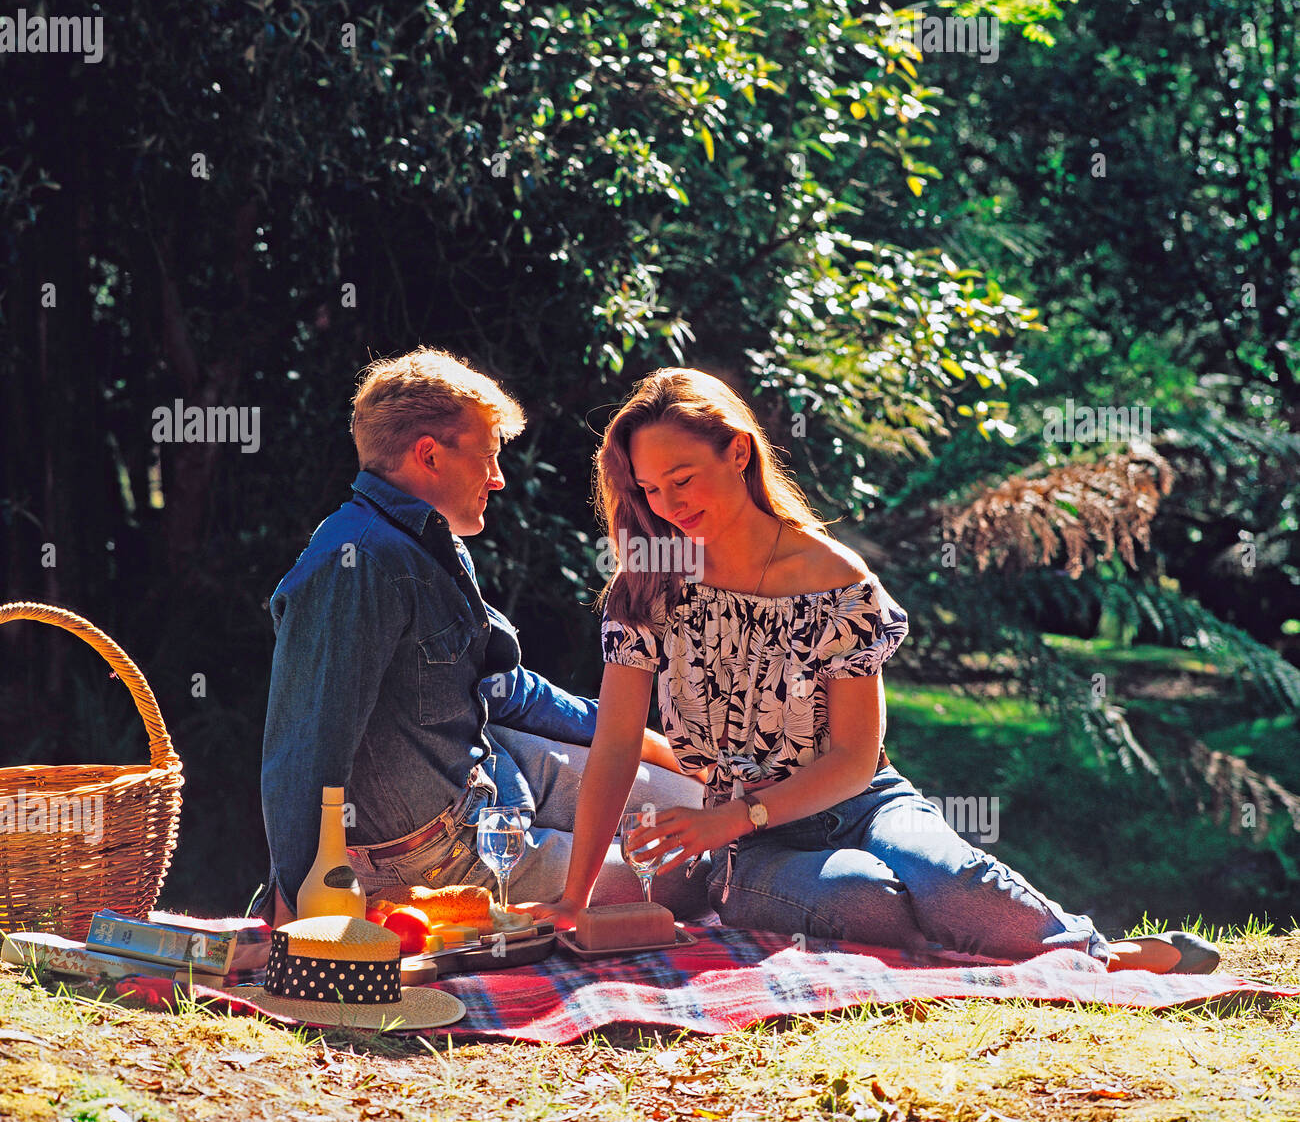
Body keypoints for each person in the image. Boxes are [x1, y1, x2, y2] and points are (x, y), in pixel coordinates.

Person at [528, 369, 1220, 975]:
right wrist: (576, 895)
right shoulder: (649, 585)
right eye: (650, 490)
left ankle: (1101, 957)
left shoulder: (834, 579)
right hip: (750, 843)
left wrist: (735, 814)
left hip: (865, 800)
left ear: (738, 450)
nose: (669, 505)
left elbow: (856, 757)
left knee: (951, 877)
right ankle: (1014, 950)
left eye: (682, 478)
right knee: (866, 897)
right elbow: (616, 743)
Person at [256, 348, 705, 928]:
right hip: (434, 856)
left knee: (700, 800)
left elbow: (502, 686)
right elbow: (306, 745)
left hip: (496, 777)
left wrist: (649, 743)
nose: (498, 478)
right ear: (429, 455)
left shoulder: (428, 540)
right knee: (691, 876)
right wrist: (292, 908)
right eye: (489, 457)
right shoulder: (359, 563)